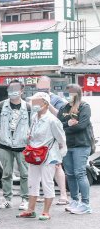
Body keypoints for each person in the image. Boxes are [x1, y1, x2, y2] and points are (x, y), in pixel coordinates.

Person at [18, 92, 67, 221]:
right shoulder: (34, 117)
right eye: (32, 102)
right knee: (32, 182)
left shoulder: (53, 120)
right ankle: (30, 210)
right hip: (34, 155)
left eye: (36, 102)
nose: (33, 105)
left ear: (45, 104)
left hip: (49, 156)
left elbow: (61, 140)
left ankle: (46, 212)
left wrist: (59, 157)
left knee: (47, 183)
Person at [0, 80, 30, 211]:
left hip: (22, 145)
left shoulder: (28, 107)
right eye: (10, 89)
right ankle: (7, 199)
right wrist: (0, 135)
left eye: (16, 89)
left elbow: (32, 124)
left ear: (22, 91)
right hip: (5, 144)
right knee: (6, 173)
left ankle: (25, 199)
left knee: (24, 173)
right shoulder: (1, 105)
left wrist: (27, 136)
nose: (13, 92)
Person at [59, 84, 93, 215]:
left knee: (80, 173)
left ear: (77, 94)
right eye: (66, 92)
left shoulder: (84, 107)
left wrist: (65, 127)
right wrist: (68, 123)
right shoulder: (63, 108)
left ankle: (85, 204)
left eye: (71, 93)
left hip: (81, 145)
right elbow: (57, 125)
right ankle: (74, 200)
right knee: (70, 174)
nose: (68, 95)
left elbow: (81, 126)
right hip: (67, 145)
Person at [36, 76, 70, 205]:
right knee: (38, 165)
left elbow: (59, 115)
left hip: (53, 137)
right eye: (41, 86)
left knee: (56, 165)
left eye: (45, 86)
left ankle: (63, 194)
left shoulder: (56, 99)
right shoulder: (35, 99)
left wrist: (47, 103)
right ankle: (42, 194)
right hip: (39, 138)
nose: (43, 88)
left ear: (49, 86)